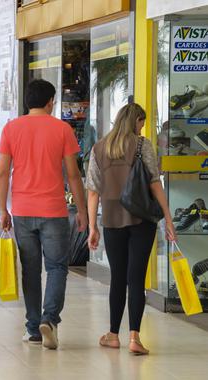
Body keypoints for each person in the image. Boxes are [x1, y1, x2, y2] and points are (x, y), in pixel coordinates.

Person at [0, 79, 88, 350]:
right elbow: (73, 174)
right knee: (57, 267)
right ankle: (50, 319)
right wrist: (81, 210)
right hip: (54, 211)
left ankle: (34, 329)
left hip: (23, 211)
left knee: (31, 271)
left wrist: (3, 209)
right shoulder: (62, 129)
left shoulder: (12, 128)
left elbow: (2, 173)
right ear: (50, 102)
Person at [86, 103, 177, 356]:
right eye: (141, 123)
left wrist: (93, 227)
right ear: (135, 120)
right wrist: (168, 219)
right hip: (142, 219)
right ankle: (135, 337)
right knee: (136, 278)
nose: (142, 128)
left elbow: (93, 191)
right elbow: (154, 183)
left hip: (112, 221)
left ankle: (113, 335)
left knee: (118, 277)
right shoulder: (141, 145)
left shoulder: (99, 148)